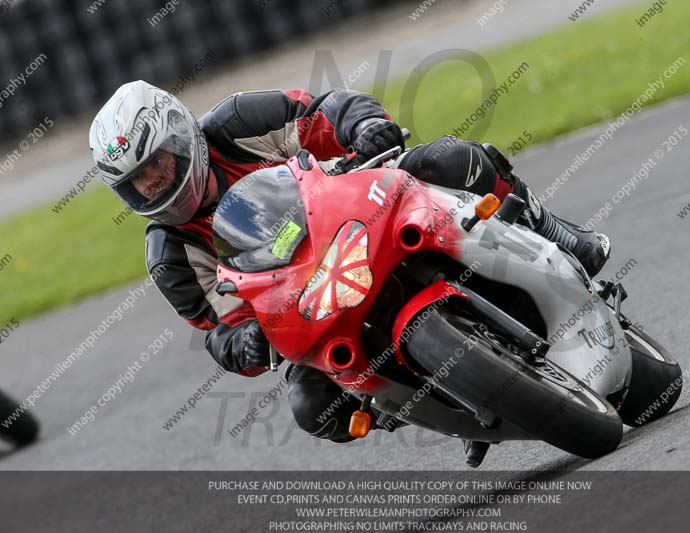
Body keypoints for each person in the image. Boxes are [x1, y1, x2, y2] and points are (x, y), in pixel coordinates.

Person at [89, 80, 609, 466]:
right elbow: (217, 328)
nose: (154, 184)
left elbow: (325, 108)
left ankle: (555, 233)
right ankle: (446, 402)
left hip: (360, 216)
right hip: (309, 302)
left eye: (156, 163)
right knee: (311, 406)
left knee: (452, 158)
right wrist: (242, 342)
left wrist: (363, 127)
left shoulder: (238, 123)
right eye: (138, 182)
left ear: (181, 137)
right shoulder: (170, 254)